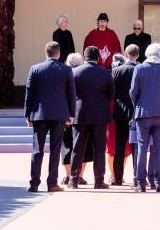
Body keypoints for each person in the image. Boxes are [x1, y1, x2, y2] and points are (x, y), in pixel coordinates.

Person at [25, 42, 76, 193]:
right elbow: (71, 94)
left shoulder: (35, 69)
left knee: (37, 149)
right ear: (58, 54)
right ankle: (52, 183)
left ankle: (34, 183)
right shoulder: (66, 70)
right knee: (55, 149)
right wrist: (71, 114)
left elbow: (29, 93)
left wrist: (27, 115)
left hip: (39, 114)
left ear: (46, 53)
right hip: (59, 114)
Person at [130, 43, 160, 192]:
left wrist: (137, 104)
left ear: (146, 54)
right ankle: (159, 183)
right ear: (159, 54)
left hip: (142, 113)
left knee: (141, 149)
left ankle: (140, 183)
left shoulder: (139, 69)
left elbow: (133, 92)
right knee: (159, 149)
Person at [68, 46, 115, 189]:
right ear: (99, 57)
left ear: (85, 56)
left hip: (80, 114)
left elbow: (69, 93)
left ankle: (73, 179)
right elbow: (111, 95)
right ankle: (99, 181)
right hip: (100, 115)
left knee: (77, 147)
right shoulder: (106, 74)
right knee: (99, 148)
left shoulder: (74, 72)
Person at [60, 53, 92, 186]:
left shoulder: (63, 75)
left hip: (66, 115)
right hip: (82, 115)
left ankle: (69, 175)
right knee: (83, 145)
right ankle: (79, 175)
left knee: (67, 145)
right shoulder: (85, 75)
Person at [110, 45, 139, 185]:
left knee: (119, 147)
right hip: (136, 112)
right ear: (137, 55)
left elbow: (111, 93)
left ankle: (118, 178)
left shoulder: (116, 71)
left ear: (126, 54)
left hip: (120, 111)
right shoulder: (140, 70)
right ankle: (137, 178)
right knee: (136, 147)